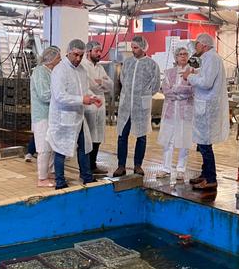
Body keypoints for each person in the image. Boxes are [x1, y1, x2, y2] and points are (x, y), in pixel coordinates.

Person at [46, 39, 102, 189]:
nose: (78, 59)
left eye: (81, 55)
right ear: (68, 52)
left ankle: (87, 177)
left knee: (84, 147)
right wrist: (82, 99)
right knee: (61, 150)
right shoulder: (60, 70)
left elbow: (83, 90)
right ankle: (60, 181)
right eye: (75, 55)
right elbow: (59, 96)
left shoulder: (81, 70)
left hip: (78, 117)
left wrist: (92, 97)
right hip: (62, 118)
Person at [182, 33, 229, 190]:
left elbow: (207, 83)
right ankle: (205, 173)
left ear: (204, 45)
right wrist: (195, 74)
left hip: (208, 108)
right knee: (202, 144)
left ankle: (210, 178)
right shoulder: (207, 58)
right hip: (204, 105)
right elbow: (203, 75)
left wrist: (190, 77)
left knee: (205, 144)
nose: (195, 48)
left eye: (196, 45)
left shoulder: (212, 58)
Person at [114, 35, 160, 177]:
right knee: (123, 135)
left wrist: (143, 95)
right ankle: (121, 166)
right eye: (132, 47)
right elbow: (122, 79)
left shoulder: (152, 65)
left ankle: (138, 165)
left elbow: (156, 85)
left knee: (141, 136)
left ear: (143, 48)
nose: (133, 50)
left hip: (141, 107)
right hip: (126, 105)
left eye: (136, 48)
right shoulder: (127, 63)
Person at [157, 46, 194, 180]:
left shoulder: (193, 72)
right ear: (176, 57)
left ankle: (181, 169)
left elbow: (192, 90)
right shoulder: (169, 73)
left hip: (185, 112)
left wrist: (177, 89)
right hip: (170, 112)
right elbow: (166, 90)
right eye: (180, 54)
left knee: (184, 141)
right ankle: (166, 168)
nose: (183, 56)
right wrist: (180, 93)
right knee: (168, 141)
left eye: (185, 54)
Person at [30, 46, 61, 187]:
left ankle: (49, 174)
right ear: (51, 59)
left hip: (51, 115)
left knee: (51, 147)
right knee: (44, 148)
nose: (60, 60)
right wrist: (61, 95)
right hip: (42, 115)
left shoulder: (50, 72)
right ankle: (42, 178)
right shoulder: (40, 72)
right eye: (58, 58)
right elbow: (44, 94)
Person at [81, 40, 113, 175]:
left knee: (98, 135)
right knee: (88, 136)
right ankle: (86, 166)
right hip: (90, 104)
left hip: (101, 104)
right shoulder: (83, 66)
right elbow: (91, 85)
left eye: (100, 51)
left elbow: (110, 85)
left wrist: (102, 83)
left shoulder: (100, 68)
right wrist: (101, 84)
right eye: (97, 51)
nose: (99, 54)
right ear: (89, 52)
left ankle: (93, 164)